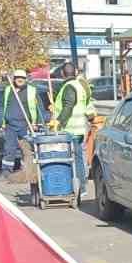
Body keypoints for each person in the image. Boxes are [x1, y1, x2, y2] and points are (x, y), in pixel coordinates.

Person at [48, 61, 95, 202]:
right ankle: (81, 187)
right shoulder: (79, 85)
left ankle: (79, 188)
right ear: (75, 72)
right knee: (78, 159)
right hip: (79, 128)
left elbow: (68, 107)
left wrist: (58, 121)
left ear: (62, 73)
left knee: (74, 160)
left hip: (70, 130)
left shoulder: (69, 87)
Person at [0, 69, 39, 177]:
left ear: (25, 79)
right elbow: (4, 106)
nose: (20, 80)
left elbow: (37, 108)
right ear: (14, 79)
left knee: (26, 148)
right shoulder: (8, 90)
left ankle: (26, 170)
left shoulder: (31, 90)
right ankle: (6, 170)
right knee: (9, 148)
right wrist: (3, 122)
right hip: (10, 124)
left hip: (25, 124)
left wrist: (35, 123)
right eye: (18, 78)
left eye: (22, 78)